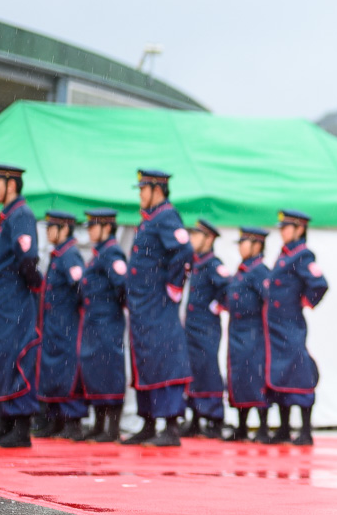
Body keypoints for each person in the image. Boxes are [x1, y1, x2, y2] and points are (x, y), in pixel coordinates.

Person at [124, 169, 195, 447]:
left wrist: (174, 287)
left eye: (143, 188)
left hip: (158, 305)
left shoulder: (166, 216)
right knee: (146, 361)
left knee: (165, 360)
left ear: (157, 189)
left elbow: (184, 250)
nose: (140, 193)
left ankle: (171, 426)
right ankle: (149, 421)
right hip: (143, 307)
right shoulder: (148, 220)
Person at [0, 164, 43, 448]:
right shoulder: (8, 216)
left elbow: (28, 260)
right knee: (1, 361)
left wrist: (33, 287)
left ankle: (20, 429)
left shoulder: (21, 214)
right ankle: (5, 423)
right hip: (2, 304)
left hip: (15, 304)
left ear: (12, 185)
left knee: (17, 360)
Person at [265, 210, 328, 445]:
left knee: (299, 372)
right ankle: (284, 427)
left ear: (299, 229)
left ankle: (305, 430)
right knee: (282, 373)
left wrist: (306, 301)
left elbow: (319, 283)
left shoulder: (302, 255)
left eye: (287, 227)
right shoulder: (285, 255)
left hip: (290, 325)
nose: (282, 231)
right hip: (276, 326)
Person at [36, 211, 88, 440]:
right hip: (54, 327)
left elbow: (81, 289)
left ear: (65, 229)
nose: (48, 231)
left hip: (67, 326)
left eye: (52, 227)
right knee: (53, 372)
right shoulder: (58, 255)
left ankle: (72, 421)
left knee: (68, 373)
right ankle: (55, 420)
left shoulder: (70, 256)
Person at [79, 208, 129, 442]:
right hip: (94, 322)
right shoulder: (99, 253)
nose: (89, 230)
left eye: (93, 225)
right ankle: (99, 424)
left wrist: (111, 310)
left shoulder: (112, 253)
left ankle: (112, 428)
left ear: (107, 227)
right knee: (96, 370)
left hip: (107, 322)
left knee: (110, 370)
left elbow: (122, 285)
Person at [224, 226, 274, 442]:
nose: (241, 247)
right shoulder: (242, 270)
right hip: (237, 332)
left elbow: (271, 301)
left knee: (256, 377)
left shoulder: (260, 271)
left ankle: (263, 427)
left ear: (256, 245)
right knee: (239, 378)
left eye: (244, 242)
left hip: (254, 333)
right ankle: (241, 426)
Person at [184, 220, 230, 437]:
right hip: (192, 327)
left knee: (208, 369)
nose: (193, 239)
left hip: (206, 328)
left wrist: (218, 305)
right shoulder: (197, 263)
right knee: (193, 370)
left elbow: (229, 289)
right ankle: (194, 417)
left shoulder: (213, 264)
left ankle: (214, 417)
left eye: (197, 235)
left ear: (209, 239)